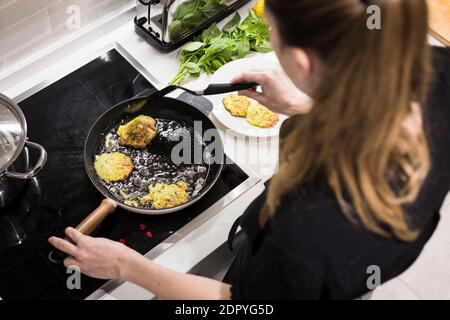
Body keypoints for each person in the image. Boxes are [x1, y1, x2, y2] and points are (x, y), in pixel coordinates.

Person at [49, 0, 450, 299]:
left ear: (303, 62)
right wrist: (305, 104)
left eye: (272, 31)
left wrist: (124, 265)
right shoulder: (437, 68)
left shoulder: (308, 230)